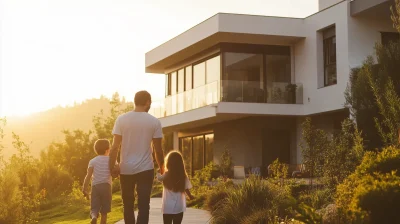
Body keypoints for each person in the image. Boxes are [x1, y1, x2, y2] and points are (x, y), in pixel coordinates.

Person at [109, 90, 165, 224]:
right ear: (147, 102)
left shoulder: (121, 119)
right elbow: (158, 149)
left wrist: (112, 167)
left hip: (126, 169)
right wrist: (162, 167)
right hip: (146, 169)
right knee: (144, 205)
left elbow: (115, 146)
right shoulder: (154, 122)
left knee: (127, 204)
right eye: (150, 102)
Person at [82, 139, 116, 224]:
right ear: (108, 149)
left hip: (95, 186)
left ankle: (94, 217)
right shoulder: (111, 160)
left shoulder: (92, 161)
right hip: (106, 186)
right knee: (104, 211)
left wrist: (84, 188)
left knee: (94, 208)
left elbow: (88, 175)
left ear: (95, 150)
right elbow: (117, 170)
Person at [156, 151, 194, 224]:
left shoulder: (166, 174)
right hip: (179, 207)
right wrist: (190, 196)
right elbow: (186, 188)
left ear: (168, 163)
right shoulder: (183, 176)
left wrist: (159, 170)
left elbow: (160, 178)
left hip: (167, 207)